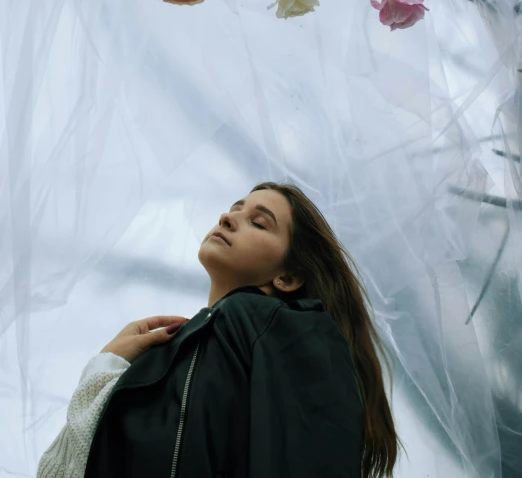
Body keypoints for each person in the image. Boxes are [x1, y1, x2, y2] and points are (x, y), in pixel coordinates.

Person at [37, 181, 404, 478]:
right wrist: (108, 367)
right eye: (235, 208)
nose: (228, 217)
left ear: (289, 276)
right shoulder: (174, 354)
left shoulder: (293, 331)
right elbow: (67, 466)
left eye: (259, 222)